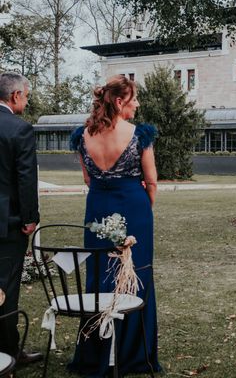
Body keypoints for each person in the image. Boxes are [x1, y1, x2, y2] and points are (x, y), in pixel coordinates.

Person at [68, 75, 161, 376]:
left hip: (97, 206)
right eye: (134, 98)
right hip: (134, 206)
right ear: (120, 102)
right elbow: (152, 181)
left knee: (97, 276)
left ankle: (96, 354)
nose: (138, 104)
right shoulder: (139, 134)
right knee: (136, 275)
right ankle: (133, 355)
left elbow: (87, 179)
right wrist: (144, 209)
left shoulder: (82, 136)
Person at [0, 72, 43, 365]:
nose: (26, 101)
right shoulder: (20, 129)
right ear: (15, 96)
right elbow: (26, 179)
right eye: (26, 95)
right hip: (7, 224)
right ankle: (7, 352)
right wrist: (30, 219)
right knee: (5, 289)